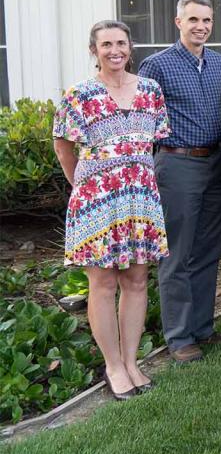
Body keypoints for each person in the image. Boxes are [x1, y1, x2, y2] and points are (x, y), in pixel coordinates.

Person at [53, 21, 170, 400]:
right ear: (94, 50)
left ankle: (132, 362)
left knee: (136, 281)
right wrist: (84, 187)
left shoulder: (150, 90)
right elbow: (62, 147)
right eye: (106, 44)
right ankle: (113, 366)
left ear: (130, 47)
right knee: (102, 284)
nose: (114, 50)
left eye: (120, 42)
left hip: (139, 199)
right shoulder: (79, 95)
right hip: (96, 203)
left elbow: (152, 143)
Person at [138, 0, 221, 364]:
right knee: (176, 254)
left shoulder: (217, 62)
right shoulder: (156, 65)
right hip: (177, 165)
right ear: (178, 22)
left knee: (208, 250)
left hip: (214, 163)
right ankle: (179, 338)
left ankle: (202, 328)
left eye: (207, 20)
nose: (202, 27)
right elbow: (143, 119)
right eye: (193, 20)